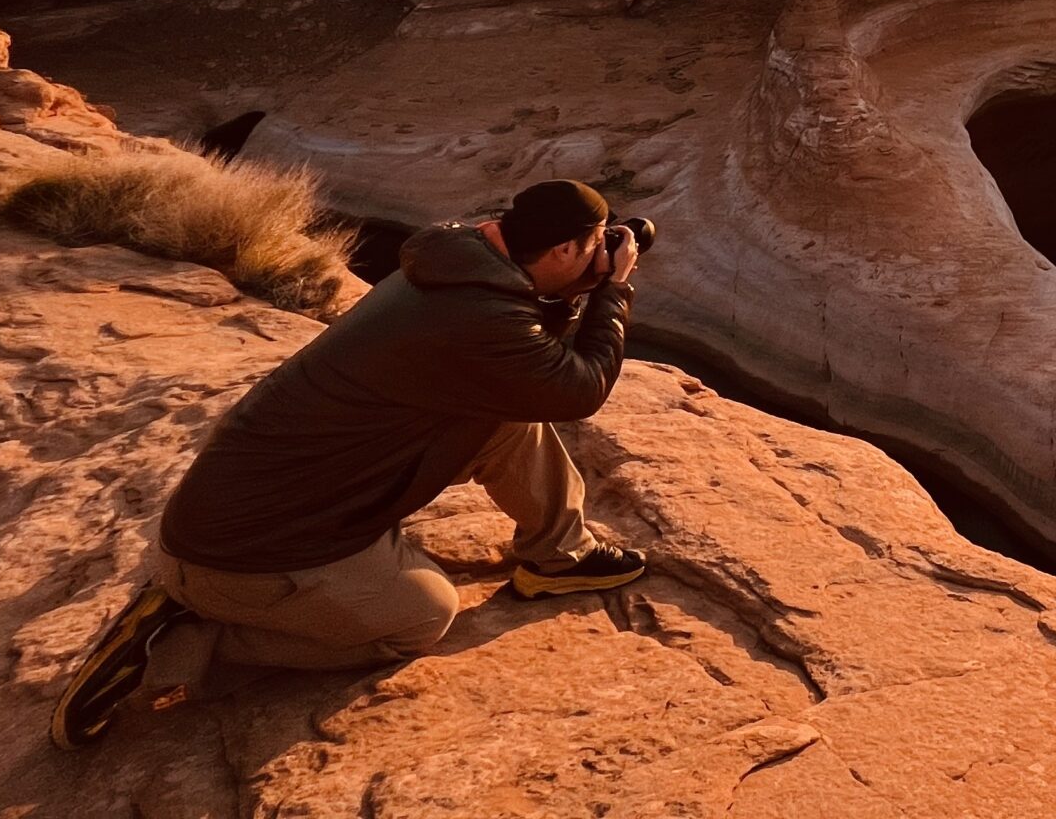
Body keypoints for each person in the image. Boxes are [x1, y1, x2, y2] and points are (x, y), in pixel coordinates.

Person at [50, 178, 650, 750]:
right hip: (249, 554)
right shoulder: (476, 317)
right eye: (597, 244)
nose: (606, 253)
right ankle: (175, 642)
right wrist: (614, 291)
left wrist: (575, 287)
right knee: (422, 617)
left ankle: (559, 557)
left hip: (245, 509)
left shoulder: (454, 261)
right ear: (565, 247)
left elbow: (530, 374)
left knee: (506, 417)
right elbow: (578, 390)